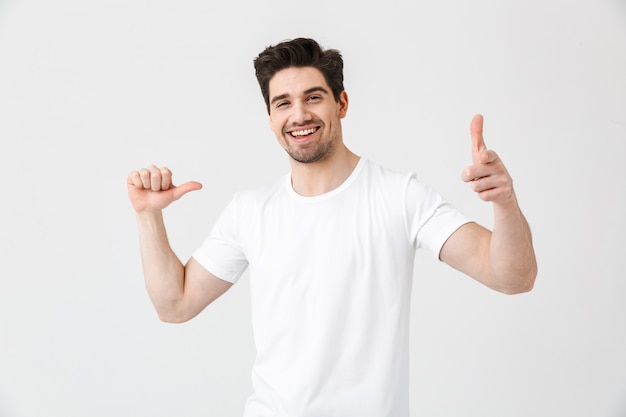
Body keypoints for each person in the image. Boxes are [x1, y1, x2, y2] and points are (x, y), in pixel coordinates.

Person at [127, 38, 537, 417]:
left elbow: (512, 277)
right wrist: (148, 215)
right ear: (270, 117)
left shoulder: (400, 197)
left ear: (341, 103)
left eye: (313, 97)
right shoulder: (250, 211)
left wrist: (504, 202)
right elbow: (175, 305)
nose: (299, 114)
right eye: (283, 103)